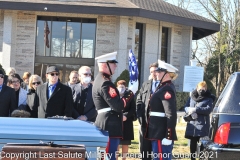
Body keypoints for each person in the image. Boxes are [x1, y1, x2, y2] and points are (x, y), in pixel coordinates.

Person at [92, 52, 126, 160]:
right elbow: (118, 106)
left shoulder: (101, 79)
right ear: (104, 65)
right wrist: (130, 94)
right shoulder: (105, 83)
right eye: (112, 63)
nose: (115, 66)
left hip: (105, 123)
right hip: (109, 125)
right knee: (108, 157)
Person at [145, 60, 178, 160]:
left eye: (159, 71)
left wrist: (168, 135)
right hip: (157, 131)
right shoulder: (162, 87)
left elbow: (170, 114)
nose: (157, 73)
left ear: (167, 74)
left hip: (161, 132)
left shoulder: (166, 89)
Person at [184, 81, 213, 160]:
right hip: (192, 124)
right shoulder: (191, 97)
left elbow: (208, 110)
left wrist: (196, 109)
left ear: (206, 89)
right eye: (200, 88)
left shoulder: (209, 99)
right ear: (197, 88)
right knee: (192, 145)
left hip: (202, 125)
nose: (202, 90)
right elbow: (186, 106)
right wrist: (189, 110)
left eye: (204, 88)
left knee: (202, 146)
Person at [136, 62, 158, 160]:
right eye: (151, 71)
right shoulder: (146, 84)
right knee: (145, 150)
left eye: (155, 71)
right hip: (145, 122)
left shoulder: (165, 85)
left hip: (157, 124)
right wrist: (140, 117)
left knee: (157, 151)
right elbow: (139, 100)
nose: (153, 73)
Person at [116, 80, 136, 160]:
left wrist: (126, 116)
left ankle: (124, 158)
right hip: (116, 121)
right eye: (120, 86)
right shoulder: (115, 96)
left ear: (125, 87)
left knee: (125, 142)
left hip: (127, 122)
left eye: (123, 86)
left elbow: (133, 109)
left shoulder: (129, 96)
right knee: (116, 142)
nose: (121, 88)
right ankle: (115, 158)